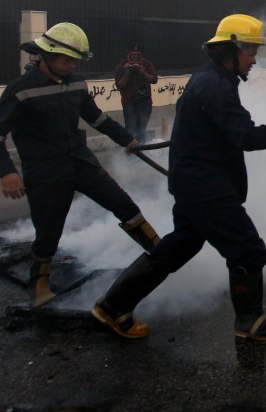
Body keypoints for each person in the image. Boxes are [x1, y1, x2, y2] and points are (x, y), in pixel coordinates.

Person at [92, 14, 266, 341]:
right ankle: (251, 323)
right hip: (204, 187)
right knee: (247, 251)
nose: (255, 60)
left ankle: (112, 306)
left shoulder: (215, 79)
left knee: (179, 247)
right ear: (232, 50)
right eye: (251, 52)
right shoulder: (214, 85)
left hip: (194, 182)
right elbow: (246, 137)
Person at [0, 23, 162, 308]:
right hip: (45, 172)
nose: (71, 65)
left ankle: (161, 253)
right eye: (66, 59)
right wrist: (7, 173)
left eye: (75, 60)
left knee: (124, 205)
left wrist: (128, 140)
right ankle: (38, 286)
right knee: (48, 231)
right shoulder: (19, 90)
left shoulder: (76, 83)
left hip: (81, 162)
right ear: (47, 54)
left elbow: (96, 118)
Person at [114, 44, 158, 143]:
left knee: (142, 129)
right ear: (127, 56)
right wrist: (126, 73)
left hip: (145, 102)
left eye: (138, 55)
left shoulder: (146, 64)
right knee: (130, 130)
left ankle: (141, 151)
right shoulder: (121, 66)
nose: (135, 58)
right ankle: (131, 153)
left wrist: (144, 73)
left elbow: (154, 80)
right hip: (129, 103)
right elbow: (119, 85)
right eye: (132, 56)